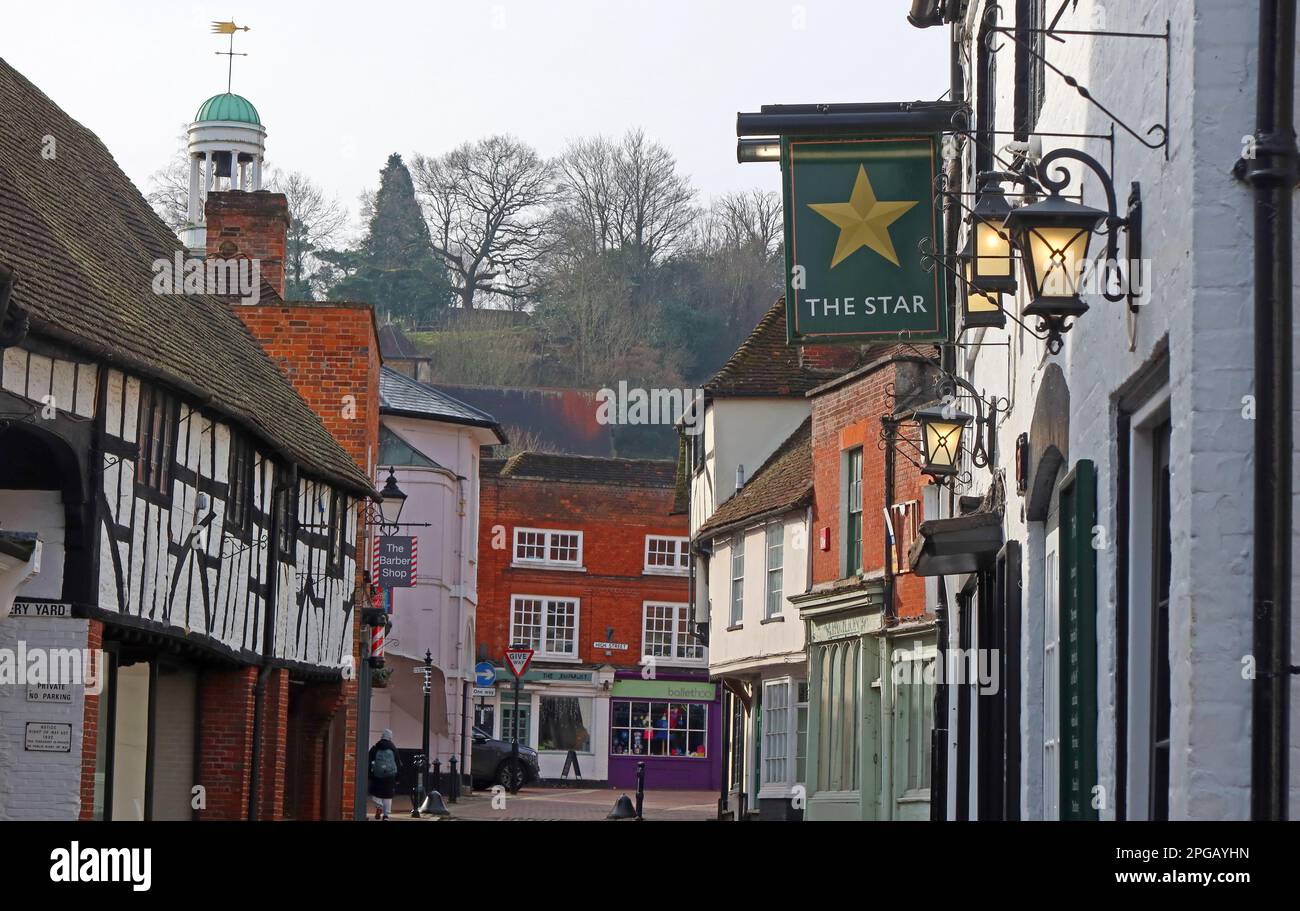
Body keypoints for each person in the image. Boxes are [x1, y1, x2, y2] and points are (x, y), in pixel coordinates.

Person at [368, 729, 401, 820]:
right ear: (390, 737)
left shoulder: (375, 747)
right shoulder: (393, 748)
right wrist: (397, 778)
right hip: (390, 776)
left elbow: (369, 760)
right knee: (388, 795)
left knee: (376, 793)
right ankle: (386, 815)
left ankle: (379, 807)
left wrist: (370, 774)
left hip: (377, 775)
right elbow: (398, 763)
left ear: (382, 736)